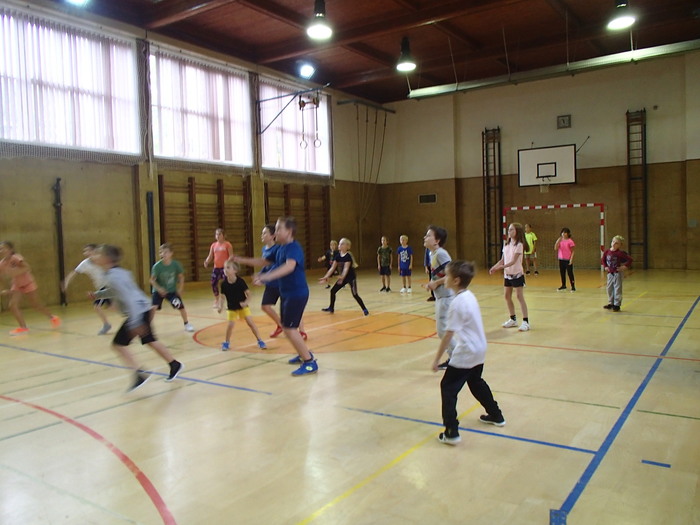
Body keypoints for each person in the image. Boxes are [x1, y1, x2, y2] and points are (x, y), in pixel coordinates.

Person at [90, 244, 183, 392]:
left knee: (118, 344)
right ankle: (174, 364)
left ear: (107, 258)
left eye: (98, 254)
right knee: (149, 340)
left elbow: (129, 298)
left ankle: (139, 374)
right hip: (144, 308)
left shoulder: (113, 277)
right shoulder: (118, 273)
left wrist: (135, 322)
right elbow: (114, 291)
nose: (95, 257)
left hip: (138, 312)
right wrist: (98, 295)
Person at [431, 260, 506, 445]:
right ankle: (496, 415)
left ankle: (451, 432)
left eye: (447, 275)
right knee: (475, 381)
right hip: (480, 348)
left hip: (467, 352)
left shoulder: (457, 303)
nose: (444, 278)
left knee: (448, 388)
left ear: (456, 280)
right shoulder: (469, 295)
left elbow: (448, 335)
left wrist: (436, 360)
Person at [253, 217, 317, 376]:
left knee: (289, 329)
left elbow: (289, 267)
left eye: (278, 228)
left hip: (296, 293)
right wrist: (240, 260)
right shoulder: (281, 249)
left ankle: (309, 362)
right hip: (287, 294)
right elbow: (264, 262)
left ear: (289, 231)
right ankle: (304, 354)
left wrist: (266, 277)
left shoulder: (293, 248)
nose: (276, 232)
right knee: (289, 328)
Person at [234, 224, 308, 341]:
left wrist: (264, 277)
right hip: (271, 284)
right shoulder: (265, 250)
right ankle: (281, 325)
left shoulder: (281, 248)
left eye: (265, 233)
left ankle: (301, 331)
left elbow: (279, 266)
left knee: (292, 309)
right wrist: (259, 274)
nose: (262, 235)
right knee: (265, 306)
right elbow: (266, 264)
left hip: (281, 283)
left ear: (272, 236)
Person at [0, 241, 61, 335]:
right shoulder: (2, 263)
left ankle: (52, 317)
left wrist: (16, 272)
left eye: (3, 248)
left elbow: (27, 267)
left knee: (35, 304)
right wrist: (2, 289)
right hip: (17, 285)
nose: (1, 250)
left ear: (10, 249)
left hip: (28, 282)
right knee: (13, 305)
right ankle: (23, 327)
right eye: (0, 249)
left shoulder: (16, 258)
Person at [424, 226, 455, 369]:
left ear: (437, 241)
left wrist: (436, 283)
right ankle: (454, 357)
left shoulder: (441, 254)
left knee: (442, 330)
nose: (425, 237)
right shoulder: (432, 254)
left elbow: (452, 274)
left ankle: (456, 357)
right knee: (443, 330)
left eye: (428, 235)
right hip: (440, 297)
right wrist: (431, 283)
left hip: (446, 297)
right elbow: (440, 274)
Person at [62, 243, 111, 335]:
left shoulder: (101, 259)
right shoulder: (85, 263)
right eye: (85, 251)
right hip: (100, 287)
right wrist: (66, 282)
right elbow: (74, 273)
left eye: (88, 250)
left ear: (94, 251)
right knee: (113, 307)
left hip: (108, 286)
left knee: (97, 306)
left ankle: (107, 325)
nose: (85, 253)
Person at [218, 259, 267, 351]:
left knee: (251, 323)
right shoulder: (223, 284)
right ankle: (226, 342)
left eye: (228, 267)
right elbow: (222, 297)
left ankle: (260, 340)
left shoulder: (240, 282)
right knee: (230, 325)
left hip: (242, 307)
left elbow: (249, 294)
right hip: (231, 308)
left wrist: (245, 303)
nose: (225, 270)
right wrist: (220, 306)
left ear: (235, 270)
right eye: (224, 268)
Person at [489, 223, 530, 332]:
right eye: (509, 230)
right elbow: (502, 260)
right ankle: (513, 319)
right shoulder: (506, 245)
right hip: (507, 275)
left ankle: (526, 322)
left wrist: (501, 268)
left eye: (511, 230)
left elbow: (513, 261)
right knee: (507, 296)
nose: (509, 231)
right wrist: (494, 267)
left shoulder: (519, 245)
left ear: (517, 232)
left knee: (519, 297)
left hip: (517, 274)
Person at [150, 243, 195, 332]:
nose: (163, 254)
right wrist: (159, 289)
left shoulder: (176, 265)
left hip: (171, 291)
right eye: (161, 252)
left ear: (171, 253)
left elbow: (181, 277)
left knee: (180, 306)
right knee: (153, 307)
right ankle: (147, 326)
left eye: (166, 252)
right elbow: (152, 280)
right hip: (158, 291)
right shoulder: (157, 266)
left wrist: (180, 288)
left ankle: (186, 324)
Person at [319, 238, 369, 316]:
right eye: (339, 244)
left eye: (342, 244)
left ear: (347, 246)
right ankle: (331, 307)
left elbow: (346, 268)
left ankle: (364, 309)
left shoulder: (348, 256)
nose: (340, 245)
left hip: (351, 278)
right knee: (333, 291)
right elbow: (332, 268)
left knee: (355, 294)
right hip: (343, 277)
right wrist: (325, 277)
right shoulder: (337, 256)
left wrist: (342, 277)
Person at [204, 228, 233, 308]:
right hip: (216, 268)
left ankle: (229, 301)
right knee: (213, 283)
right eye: (216, 234)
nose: (217, 236)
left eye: (219, 234)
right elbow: (210, 256)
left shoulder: (227, 244)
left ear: (223, 235)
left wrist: (227, 263)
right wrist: (206, 261)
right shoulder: (213, 245)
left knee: (226, 284)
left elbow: (231, 256)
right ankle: (217, 300)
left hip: (225, 268)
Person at [602, 235, 633, 312]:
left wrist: (624, 266)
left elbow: (630, 259)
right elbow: (603, 260)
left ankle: (617, 304)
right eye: (613, 242)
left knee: (617, 289)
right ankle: (611, 303)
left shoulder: (620, 253)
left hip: (617, 273)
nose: (614, 244)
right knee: (609, 288)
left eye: (616, 243)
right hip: (610, 273)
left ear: (620, 245)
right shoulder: (607, 252)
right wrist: (605, 266)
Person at [555, 227, 576, 292]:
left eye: (565, 232)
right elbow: (555, 248)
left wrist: (571, 259)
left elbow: (573, 251)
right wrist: (557, 241)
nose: (563, 234)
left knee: (570, 273)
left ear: (568, 233)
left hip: (568, 259)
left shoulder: (570, 241)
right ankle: (563, 285)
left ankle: (573, 286)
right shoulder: (560, 241)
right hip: (561, 259)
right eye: (563, 232)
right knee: (562, 272)